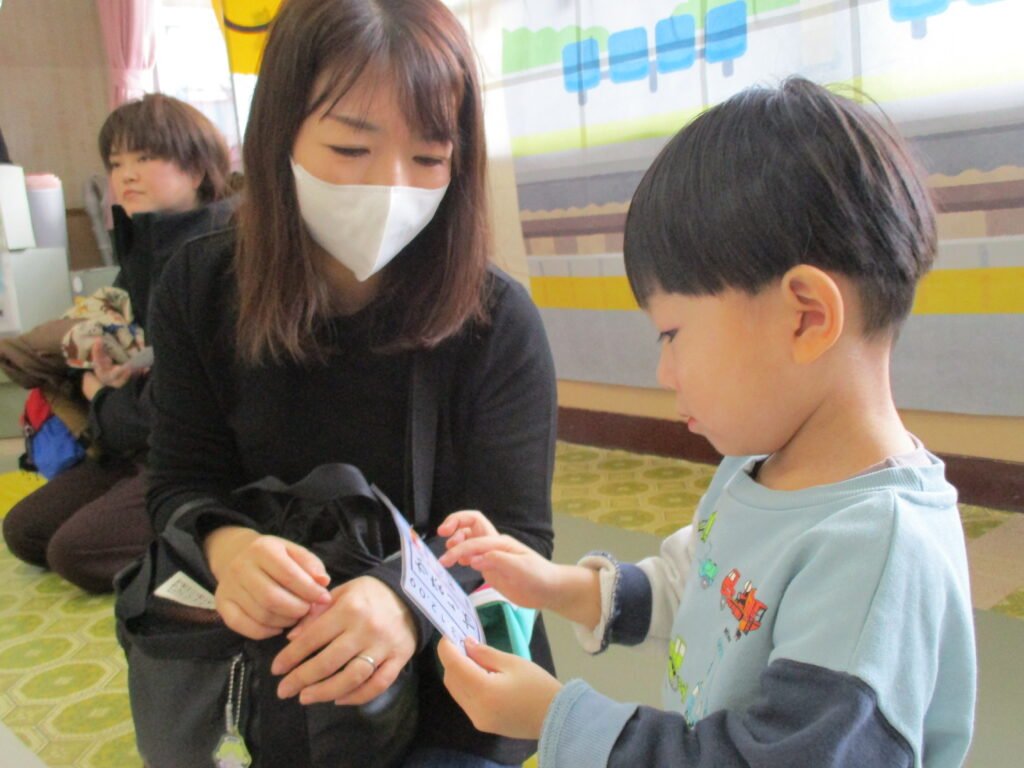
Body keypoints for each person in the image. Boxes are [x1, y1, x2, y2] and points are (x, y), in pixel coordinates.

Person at [436, 77, 976, 768]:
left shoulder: (876, 553)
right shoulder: (760, 465)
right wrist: (558, 585)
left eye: (673, 334)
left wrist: (556, 718)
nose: (665, 372)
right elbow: (702, 586)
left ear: (806, 316)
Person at [141, 0, 557, 765]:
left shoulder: (499, 322)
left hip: (455, 672)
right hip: (279, 670)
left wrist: (405, 600)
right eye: (350, 148)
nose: (391, 187)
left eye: (429, 160)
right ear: (278, 138)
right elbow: (179, 484)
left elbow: (517, 538)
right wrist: (231, 550)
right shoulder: (198, 290)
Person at [1, 94, 234, 592]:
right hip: (137, 433)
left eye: (146, 158)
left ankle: (218, 544)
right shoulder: (144, 245)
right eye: (116, 162)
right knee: (24, 531)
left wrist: (98, 396)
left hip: (190, 452)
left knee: (75, 552)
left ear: (196, 169)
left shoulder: (211, 252)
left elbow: (181, 404)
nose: (126, 174)